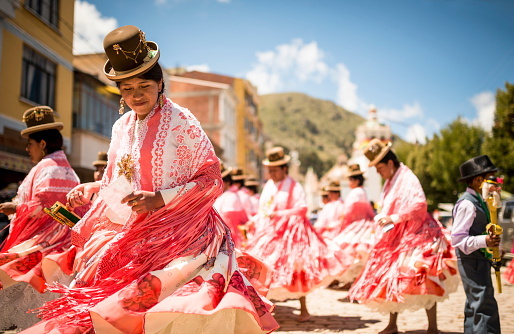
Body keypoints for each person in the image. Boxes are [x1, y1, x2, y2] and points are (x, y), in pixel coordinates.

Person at [21, 25, 278, 334]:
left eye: (144, 85)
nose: (136, 95)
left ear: (160, 84)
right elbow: (119, 181)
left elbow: (211, 180)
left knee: (168, 310)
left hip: (186, 234)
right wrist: (92, 190)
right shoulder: (121, 128)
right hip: (136, 231)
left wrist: (160, 198)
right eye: (127, 89)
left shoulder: (182, 122)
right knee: (110, 302)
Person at [348, 139, 459, 334]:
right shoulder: (391, 181)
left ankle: (432, 327)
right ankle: (392, 324)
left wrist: (394, 217)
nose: (378, 172)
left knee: (424, 276)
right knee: (392, 278)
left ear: (390, 163)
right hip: (397, 236)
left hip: (418, 234)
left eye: (379, 167)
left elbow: (419, 204)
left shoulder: (407, 178)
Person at [0, 106, 82, 330]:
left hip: (46, 248)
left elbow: (46, 206)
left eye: (30, 143)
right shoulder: (59, 168)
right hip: (55, 249)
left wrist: (15, 208)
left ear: (43, 144)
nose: (27, 149)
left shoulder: (51, 168)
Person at [245, 146, 345, 322]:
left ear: (284, 168)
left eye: (275, 170)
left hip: (290, 234)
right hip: (269, 233)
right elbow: (264, 209)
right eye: (270, 170)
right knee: (265, 268)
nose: (272, 173)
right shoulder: (269, 185)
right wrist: (254, 220)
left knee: (296, 269)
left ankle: (303, 309)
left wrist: (280, 215)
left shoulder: (294, 185)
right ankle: (265, 308)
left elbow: (302, 208)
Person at [452, 155, 501, 333]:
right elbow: (457, 239)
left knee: (475, 303)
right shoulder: (467, 204)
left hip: (479, 259)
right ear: (478, 180)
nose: (497, 185)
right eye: (493, 180)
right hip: (470, 260)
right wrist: (484, 241)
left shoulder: (480, 202)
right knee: (483, 303)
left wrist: (493, 246)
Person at [330, 163, 377, 286]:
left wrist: (342, 225)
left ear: (356, 180)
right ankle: (355, 283)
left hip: (356, 225)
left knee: (348, 251)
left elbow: (348, 212)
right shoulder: (363, 192)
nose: (349, 182)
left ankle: (353, 282)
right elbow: (369, 211)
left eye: (350, 179)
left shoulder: (354, 193)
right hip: (363, 224)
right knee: (359, 256)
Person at [213, 163, 248, 248]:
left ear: (227, 182)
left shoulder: (231, 197)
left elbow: (229, 226)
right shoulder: (224, 196)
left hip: (229, 243)